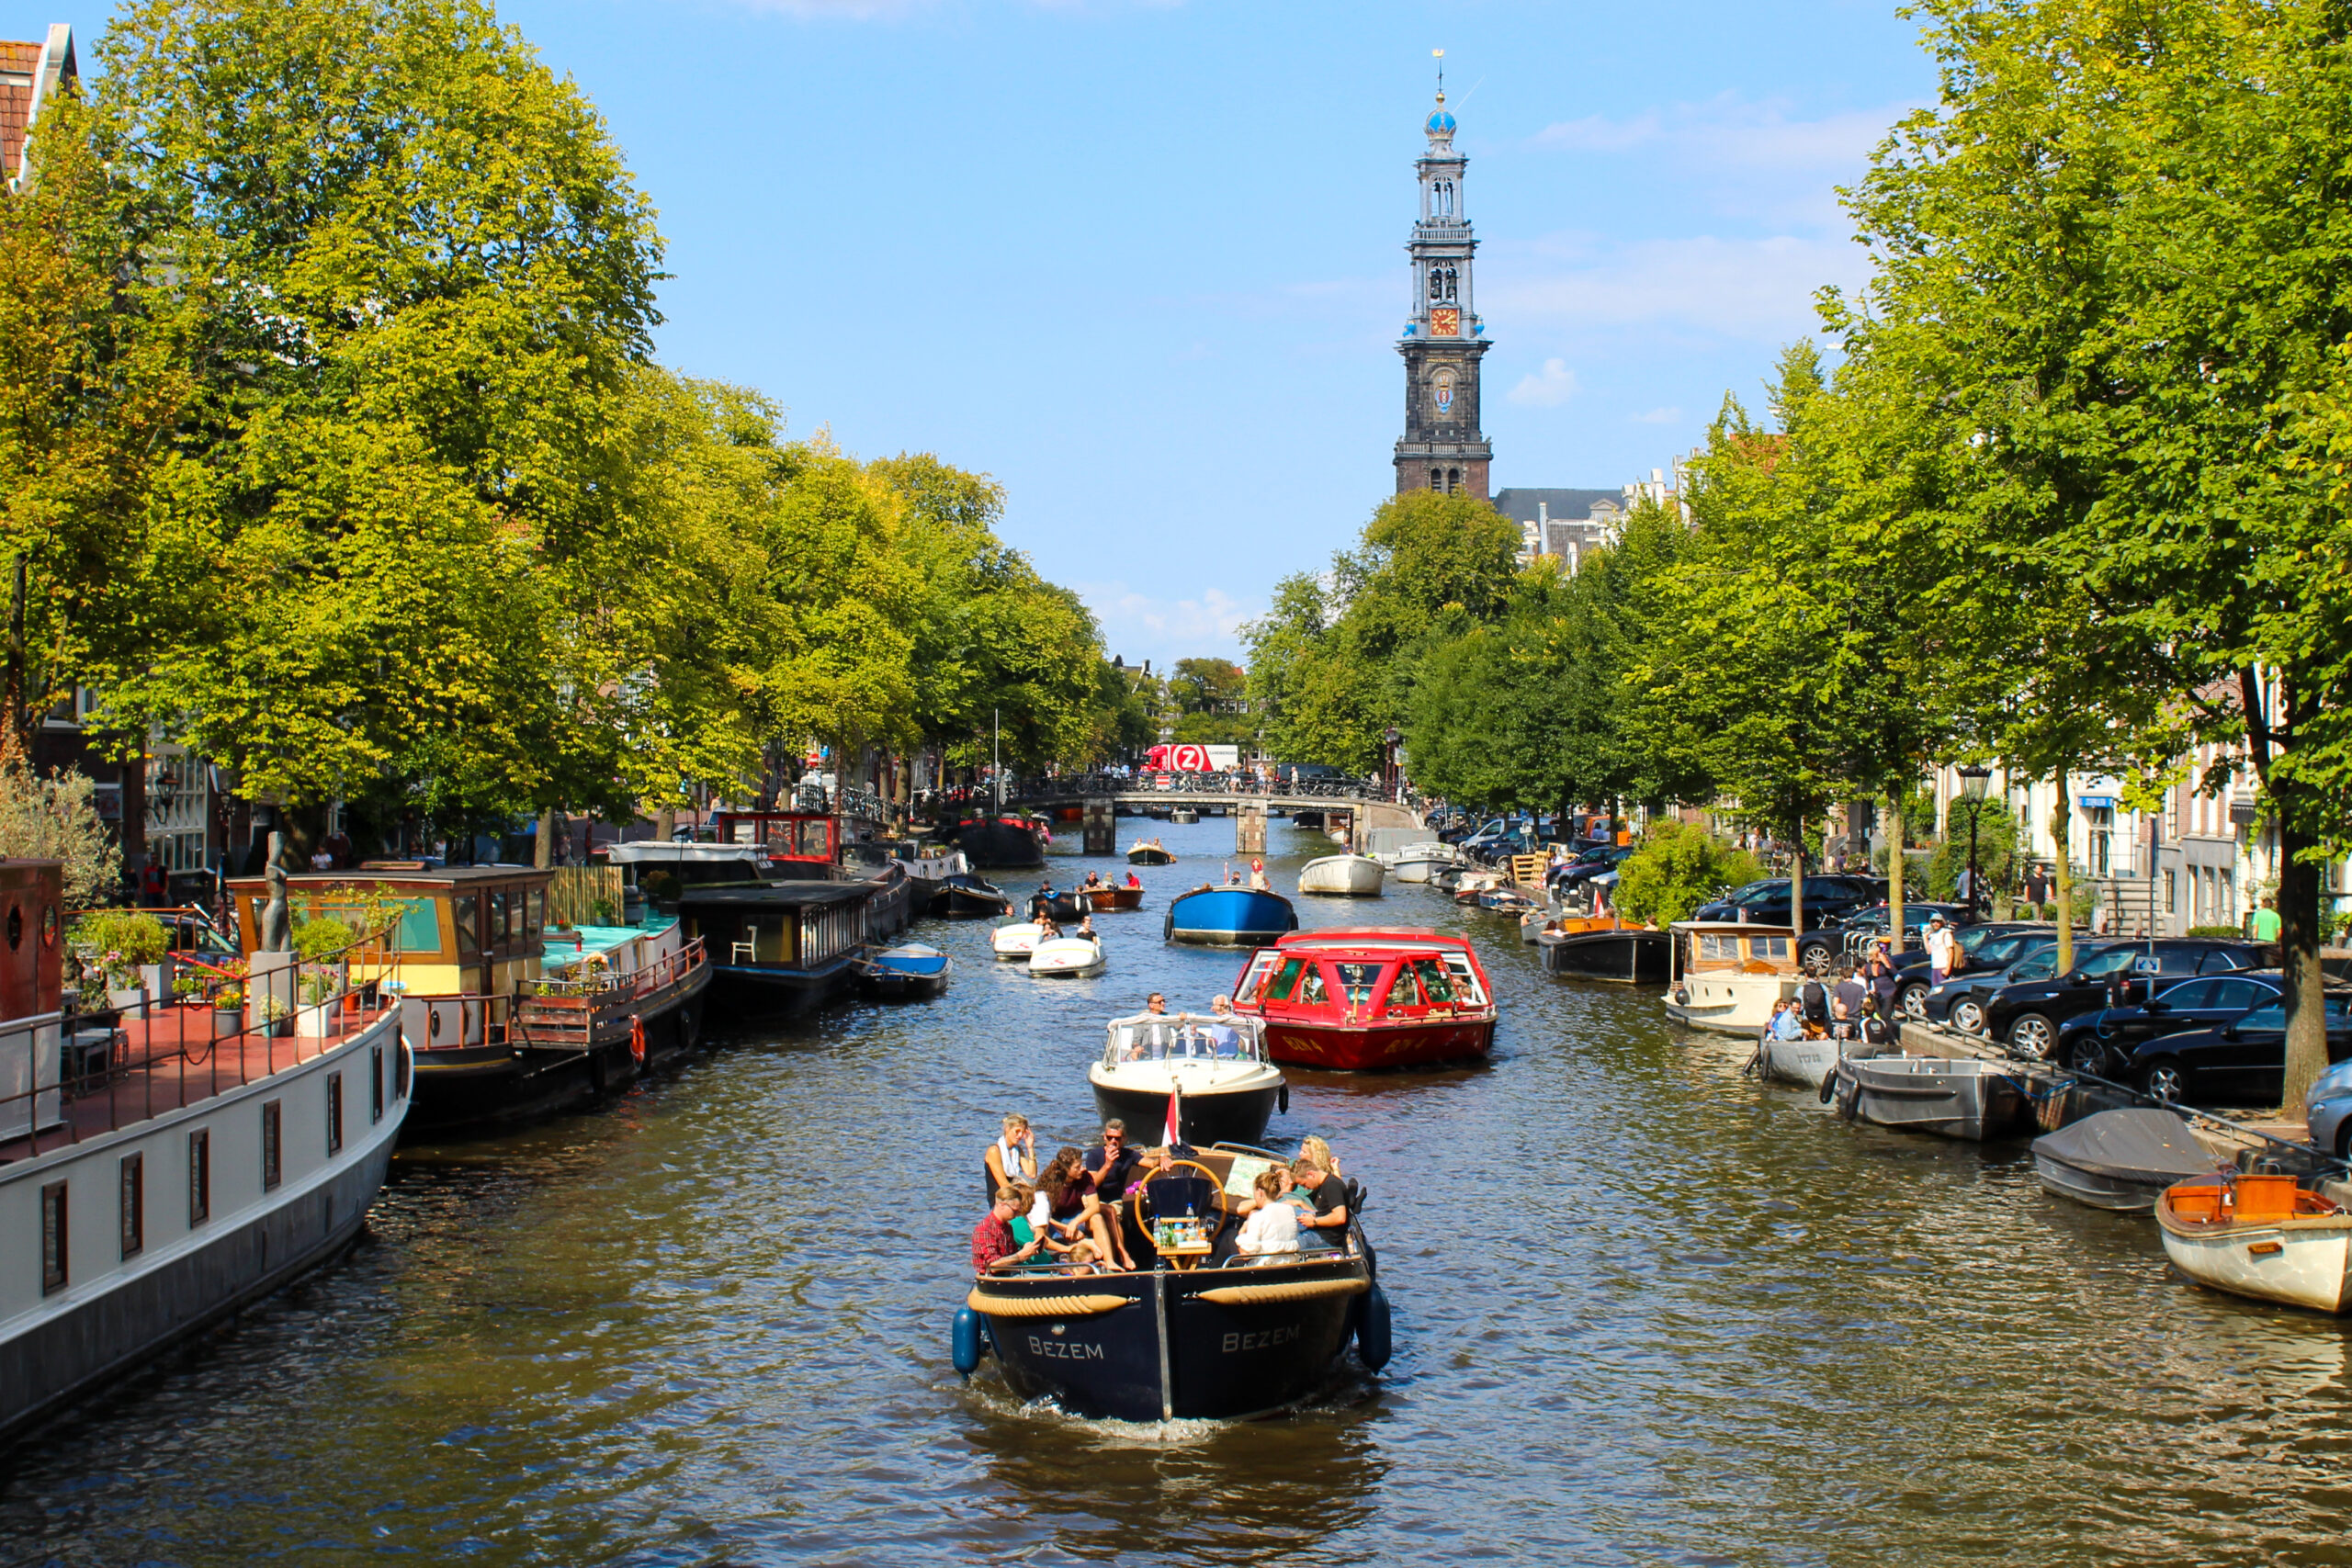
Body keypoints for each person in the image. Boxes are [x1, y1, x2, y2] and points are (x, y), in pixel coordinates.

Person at [1038, 1146, 1134, 1270]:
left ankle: (1109, 1262)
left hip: (1076, 1216)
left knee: (1097, 1217)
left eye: (1082, 1164)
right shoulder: (1050, 1181)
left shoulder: (1085, 1177)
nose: (1082, 1169)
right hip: (1054, 1222)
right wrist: (1066, 1228)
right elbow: (1042, 1216)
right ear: (1065, 1169)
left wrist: (1074, 1223)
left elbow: (1094, 1207)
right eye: (1077, 1167)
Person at [972, 1187, 1046, 1275]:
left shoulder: (1008, 1227)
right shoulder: (985, 1229)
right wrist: (1021, 1255)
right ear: (1002, 1205)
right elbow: (993, 1266)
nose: (1017, 1215)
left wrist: (1029, 1251)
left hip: (1008, 1274)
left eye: (1018, 1211)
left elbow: (1012, 1256)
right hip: (991, 1278)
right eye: (1014, 1211)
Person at [1233, 1169, 1301, 1258]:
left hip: (1266, 1263)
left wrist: (1242, 1231)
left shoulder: (1257, 1217)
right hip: (1290, 1261)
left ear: (1260, 1192)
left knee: (1229, 1236)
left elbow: (1246, 1254)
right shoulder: (1290, 1210)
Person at [981, 1112, 1035, 1207]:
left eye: (1022, 1132)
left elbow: (1032, 1173)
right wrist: (1027, 1195)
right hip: (999, 1202)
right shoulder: (994, 1151)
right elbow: (1004, 1185)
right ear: (1007, 1129)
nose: (1020, 1135)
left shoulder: (1017, 1150)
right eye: (1017, 1131)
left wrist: (1030, 1147)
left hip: (1013, 1197)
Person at [1082, 1119, 1143, 1202]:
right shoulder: (1094, 1155)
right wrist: (1108, 1165)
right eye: (1109, 1137)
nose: (1113, 1141)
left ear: (1124, 1138)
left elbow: (1151, 1163)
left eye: (1117, 1138)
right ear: (1104, 1137)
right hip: (1094, 1200)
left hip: (1115, 1201)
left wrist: (1160, 1160)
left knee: (1113, 1209)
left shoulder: (1129, 1154)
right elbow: (1092, 1185)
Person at [1291, 1156, 1350, 1240]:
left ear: (1311, 1174)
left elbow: (1340, 1217)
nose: (1305, 1188)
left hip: (1326, 1238)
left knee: (1290, 1242)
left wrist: (1314, 1221)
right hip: (1317, 1231)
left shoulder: (1332, 1185)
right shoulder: (1321, 1186)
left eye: (1304, 1184)